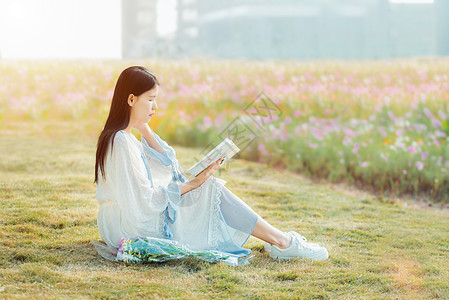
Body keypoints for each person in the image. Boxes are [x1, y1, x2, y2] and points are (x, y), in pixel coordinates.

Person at [94, 66, 328, 262]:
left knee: (206, 187)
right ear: (131, 99)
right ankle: (283, 243)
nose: (155, 107)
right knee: (209, 187)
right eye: (151, 100)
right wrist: (195, 183)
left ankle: (280, 240)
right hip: (129, 226)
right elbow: (144, 201)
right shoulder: (121, 142)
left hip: (121, 221)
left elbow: (168, 161)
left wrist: (142, 125)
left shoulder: (121, 136)